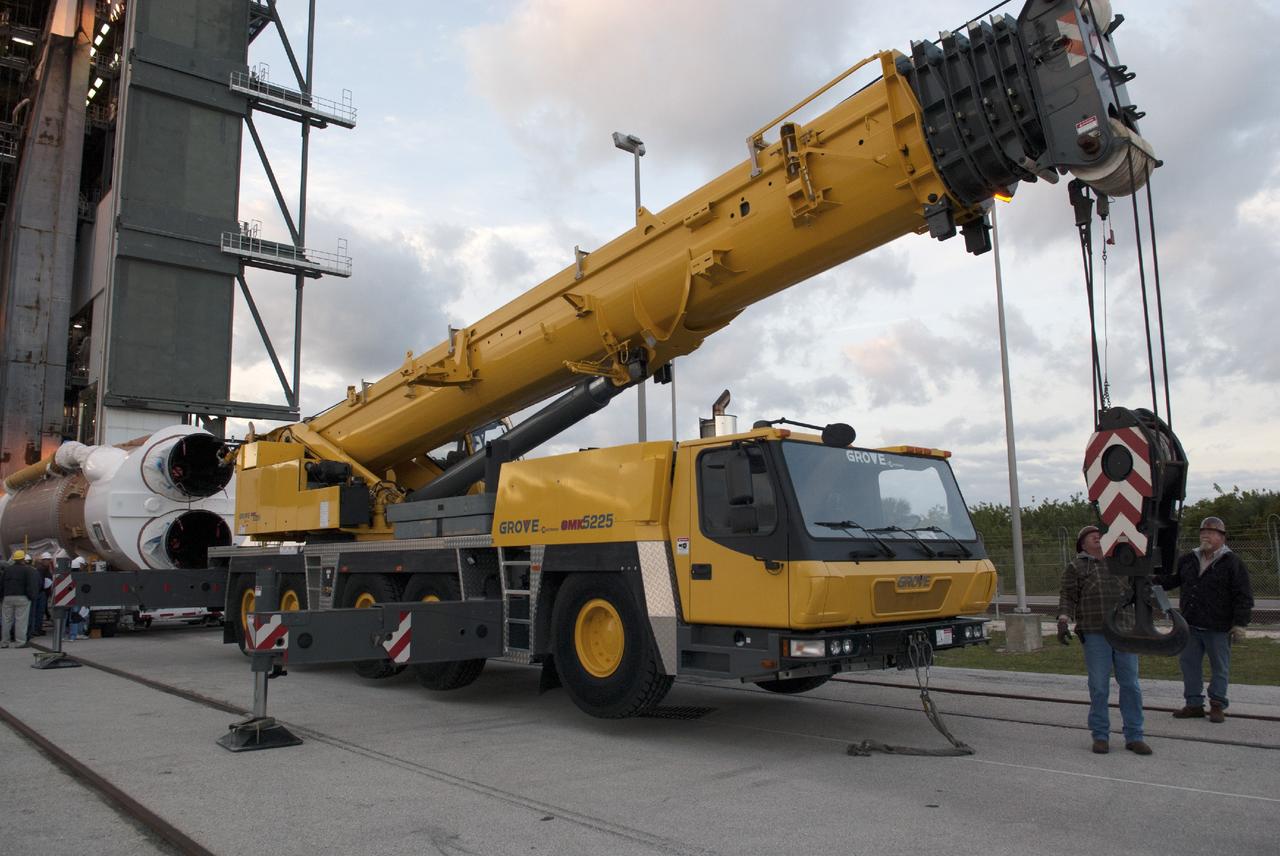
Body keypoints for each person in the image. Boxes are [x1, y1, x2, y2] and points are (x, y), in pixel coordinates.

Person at [1057, 525, 1151, 755]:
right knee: (1099, 686)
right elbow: (1068, 596)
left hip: (1125, 631)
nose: (1097, 536)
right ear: (1082, 543)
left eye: (1099, 534)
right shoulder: (1076, 566)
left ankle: (1134, 735)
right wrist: (1063, 618)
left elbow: (1142, 586)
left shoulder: (1122, 561)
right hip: (1094, 631)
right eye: (1091, 535)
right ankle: (1100, 735)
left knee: (1130, 684)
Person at [1156, 516, 1254, 724]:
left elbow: (1243, 596)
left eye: (1210, 532)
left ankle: (1217, 704)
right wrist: (1150, 579)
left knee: (1220, 666)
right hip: (1190, 625)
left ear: (1222, 537)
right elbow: (1174, 580)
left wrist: (1240, 624)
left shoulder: (1232, 563)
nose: (1205, 535)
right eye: (1203, 532)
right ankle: (1193, 704)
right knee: (1189, 665)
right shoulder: (1188, 559)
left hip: (1218, 627)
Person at [1, 550, 40, 648]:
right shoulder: (28, 570)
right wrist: (31, 597)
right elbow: (31, 585)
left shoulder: (7, 570)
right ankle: (20, 642)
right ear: (23, 559)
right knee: (21, 621)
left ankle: (4, 642)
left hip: (7, 597)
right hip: (22, 598)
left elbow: (1, 584)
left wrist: (2, 597)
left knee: (6, 620)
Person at [29, 551, 54, 638]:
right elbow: (43, 582)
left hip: (42, 593)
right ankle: (35, 630)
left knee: (39, 612)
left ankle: (37, 629)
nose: (48, 561)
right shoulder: (41, 569)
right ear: (43, 560)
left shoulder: (43, 569)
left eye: (49, 560)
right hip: (40, 593)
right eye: (47, 560)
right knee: (37, 612)